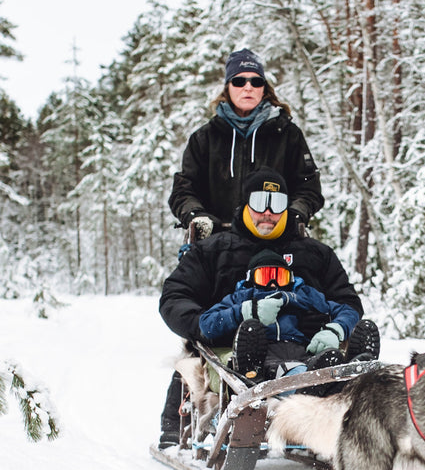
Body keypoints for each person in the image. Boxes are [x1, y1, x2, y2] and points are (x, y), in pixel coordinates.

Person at [158, 168, 379, 444]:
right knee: (242, 363)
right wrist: (209, 326)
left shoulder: (314, 254)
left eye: (276, 205)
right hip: (238, 350)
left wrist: (336, 329)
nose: (267, 213)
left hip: (307, 349)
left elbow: (346, 302)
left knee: (329, 358)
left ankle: (352, 379)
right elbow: (174, 299)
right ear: (246, 204)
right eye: (259, 202)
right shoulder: (213, 252)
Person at [168, 49, 324, 241]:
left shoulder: (287, 134)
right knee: (186, 271)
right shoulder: (204, 138)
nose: (248, 87)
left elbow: (309, 187)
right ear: (228, 87)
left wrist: (294, 214)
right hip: (216, 243)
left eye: (256, 81)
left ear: (264, 88)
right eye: (239, 81)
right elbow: (183, 189)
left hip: (275, 240)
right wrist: (196, 216)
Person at [198, 249, 364, 382]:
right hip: (263, 351)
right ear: (251, 278)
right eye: (265, 277)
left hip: (302, 350)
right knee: (286, 368)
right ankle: (255, 371)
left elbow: (347, 310)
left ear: (290, 278)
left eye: (280, 277)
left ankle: (349, 369)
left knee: (323, 361)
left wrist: (335, 329)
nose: (273, 283)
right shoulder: (242, 297)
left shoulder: (304, 295)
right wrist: (245, 311)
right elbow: (207, 324)